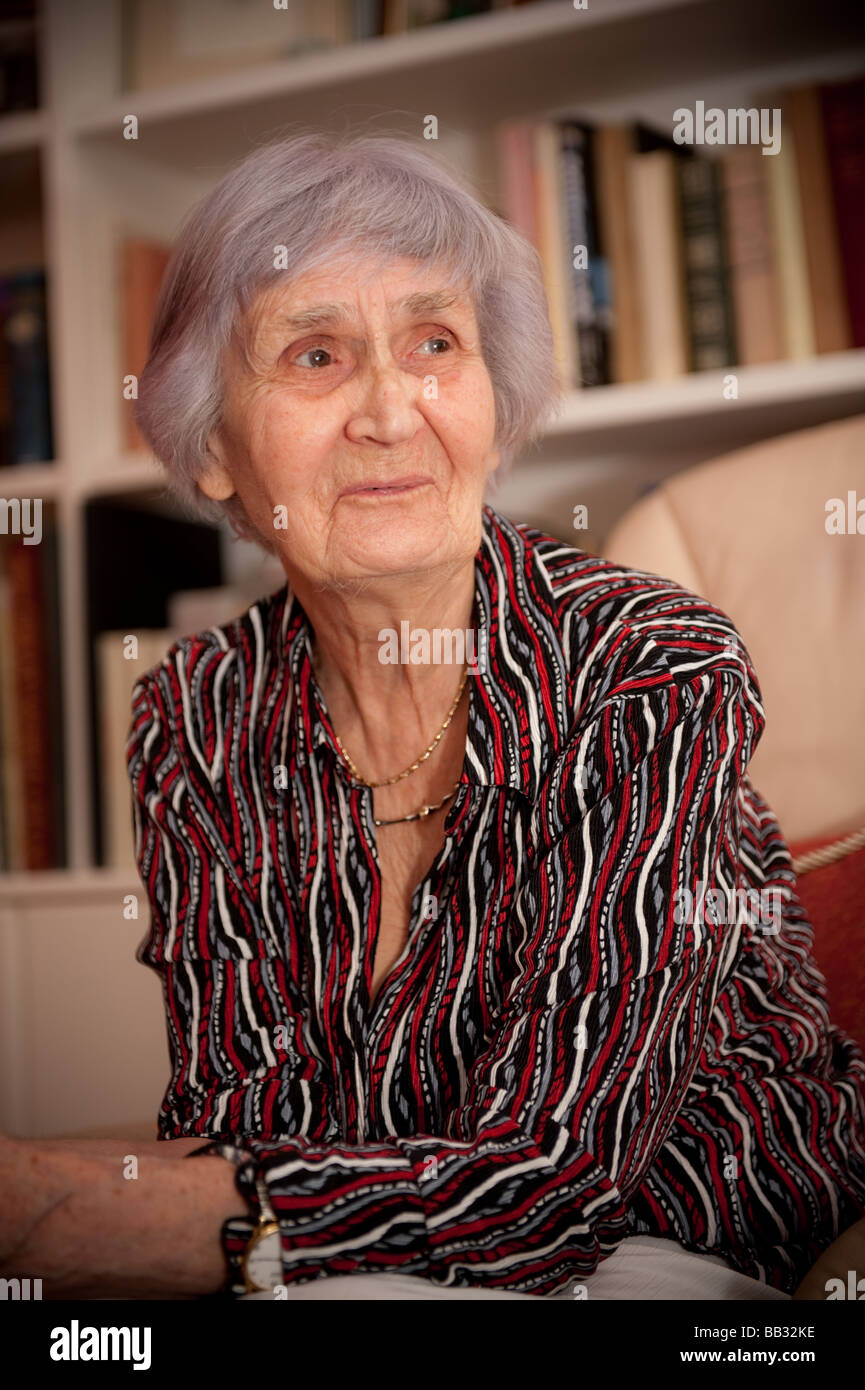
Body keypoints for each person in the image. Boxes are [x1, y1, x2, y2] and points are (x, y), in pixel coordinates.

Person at [1, 131, 863, 1301]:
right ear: (212, 449)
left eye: (434, 344)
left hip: (687, 1244)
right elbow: (241, 1116)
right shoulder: (195, 716)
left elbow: (548, 1181)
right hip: (372, 1262)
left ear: (493, 399)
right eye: (315, 354)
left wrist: (71, 1206)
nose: (390, 410)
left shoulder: (651, 664)